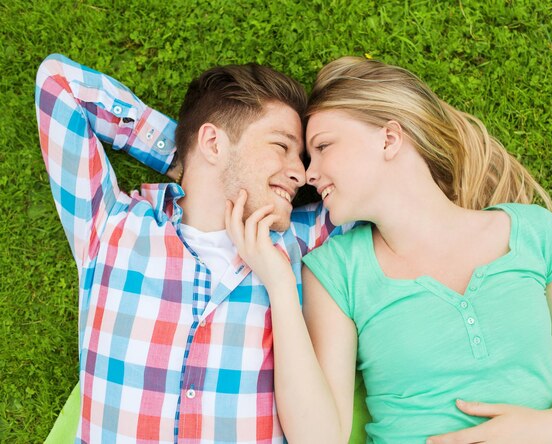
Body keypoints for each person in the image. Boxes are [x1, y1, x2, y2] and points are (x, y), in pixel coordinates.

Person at [225, 57, 552, 443]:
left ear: (390, 138)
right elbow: (320, 437)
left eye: (323, 146)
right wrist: (278, 283)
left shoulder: (533, 233)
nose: (310, 174)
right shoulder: (336, 271)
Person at [35, 53, 353, 443]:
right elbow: (58, 82)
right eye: (281, 146)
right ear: (213, 142)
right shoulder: (110, 225)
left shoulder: (298, 241)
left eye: (301, 157)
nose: (301, 173)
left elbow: (387, 187)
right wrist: (181, 158)